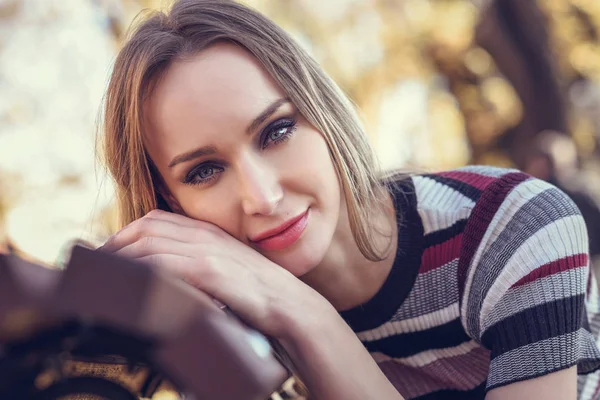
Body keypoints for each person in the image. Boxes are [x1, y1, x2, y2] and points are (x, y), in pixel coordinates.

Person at [97, 0, 600, 398]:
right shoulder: (222, 324)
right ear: (169, 202)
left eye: (277, 131)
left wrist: (306, 316)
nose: (263, 197)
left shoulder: (511, 229)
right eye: (204, 171)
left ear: (323, 113)